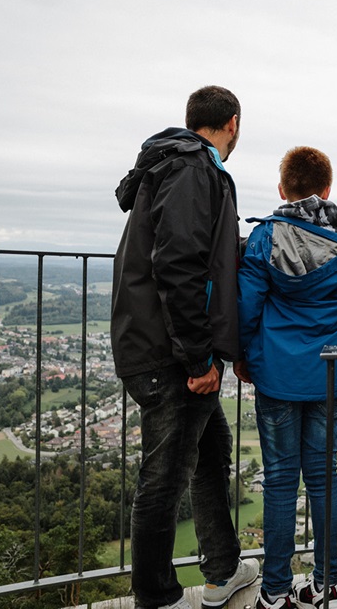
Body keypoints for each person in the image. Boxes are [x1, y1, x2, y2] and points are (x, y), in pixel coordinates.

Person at [111, 85, 260, 609]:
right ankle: (157, 596)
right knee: (164, 478)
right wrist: (198, 358)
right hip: (171, 353)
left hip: (155, 341)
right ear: (233, 123)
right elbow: (177, 262)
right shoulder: (197, 169)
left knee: (211, 451)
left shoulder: (171, 165)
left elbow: (194, 249)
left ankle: (223, 570)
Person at [237, 146, 337, 609]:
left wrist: (242, 357)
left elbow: (246, 307)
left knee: (280, 480)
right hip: (329, 374)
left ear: (282, 190)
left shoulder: (265, 239)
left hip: (276, 374)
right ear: (328, 191)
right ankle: (327, 586)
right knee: (324, 478)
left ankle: (276, 590)